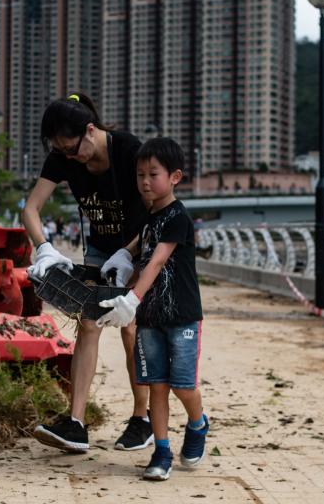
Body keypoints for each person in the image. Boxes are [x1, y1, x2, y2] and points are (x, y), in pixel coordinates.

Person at [25, 93, 151, 453]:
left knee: (129, 325)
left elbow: (155, 210)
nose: (68, 158)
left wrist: (129, 255)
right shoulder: (62, 158)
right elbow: (31, 208)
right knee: (89, 322)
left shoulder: (128, 150)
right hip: (99, 249)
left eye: (72, 149)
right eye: (61, 152)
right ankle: (76, 424)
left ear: (91, 131)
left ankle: (140, 419)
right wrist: (44, 247)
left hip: (136, 248)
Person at [97, 137, 208, 481]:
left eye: (153, 174)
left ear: (175, 177)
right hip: (150, 320)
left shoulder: (179, 216)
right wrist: (124, 255)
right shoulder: (150, 216)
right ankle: (161, 450)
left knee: (182, 385)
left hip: (182, 317)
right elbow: (144, 241)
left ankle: (198, 422)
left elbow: (158, 260)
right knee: (156, 384)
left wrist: (132, 299)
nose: (145, 181)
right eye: (140, 174)